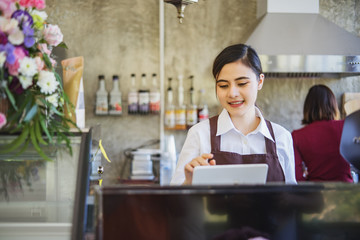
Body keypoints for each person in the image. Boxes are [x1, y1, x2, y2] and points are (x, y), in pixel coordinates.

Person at [170, 43, 297, 185]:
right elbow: (174, 201)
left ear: (260, 81)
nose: (232, 93)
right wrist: (188, 183)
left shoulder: (282, 137)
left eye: (242, 83)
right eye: (223, 86)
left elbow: (291, 198)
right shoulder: (199, 134)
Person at [291, 84, 353, 182]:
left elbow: (297, 177)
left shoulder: (297, 136)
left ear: (307, 108)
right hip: (346, 192)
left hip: (316, 194)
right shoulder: (347, 126)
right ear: (333, 105)